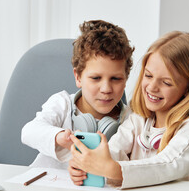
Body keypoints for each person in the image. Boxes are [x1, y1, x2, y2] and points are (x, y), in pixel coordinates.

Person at [68, 31, 189, 189]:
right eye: (148, 75)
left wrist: (112, 169)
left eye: (166, 82)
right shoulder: (138, 118)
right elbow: (115, 149)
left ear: (188, 88)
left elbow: (165, 166)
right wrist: (88, 164)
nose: (152, 87)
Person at [21, 20, 134, 169]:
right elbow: (28, 132)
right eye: (96, 78)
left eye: (116, 79)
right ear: (78, 77)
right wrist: (59, 137)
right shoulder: (62, 104)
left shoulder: (131, 120)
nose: (106, 89)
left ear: (126, 79)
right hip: (48, 186)